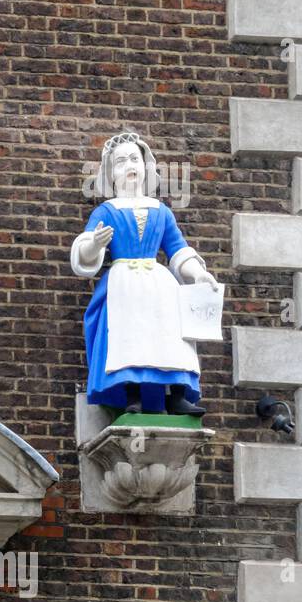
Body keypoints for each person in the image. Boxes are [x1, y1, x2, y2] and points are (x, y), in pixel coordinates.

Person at [70, 132, 221, 416]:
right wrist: (95, 243)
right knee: (129, 337)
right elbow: (85, 249)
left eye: (134, 159)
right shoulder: (107, 210)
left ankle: (176, 396)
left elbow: (177, 249)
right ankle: (133, 396)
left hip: (159, 282)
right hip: (123, 284)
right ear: (111, 173)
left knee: (171, 336)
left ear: (145, 166)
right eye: (121, 161)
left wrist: (197, 274)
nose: (129, 166)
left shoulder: (162, 211)